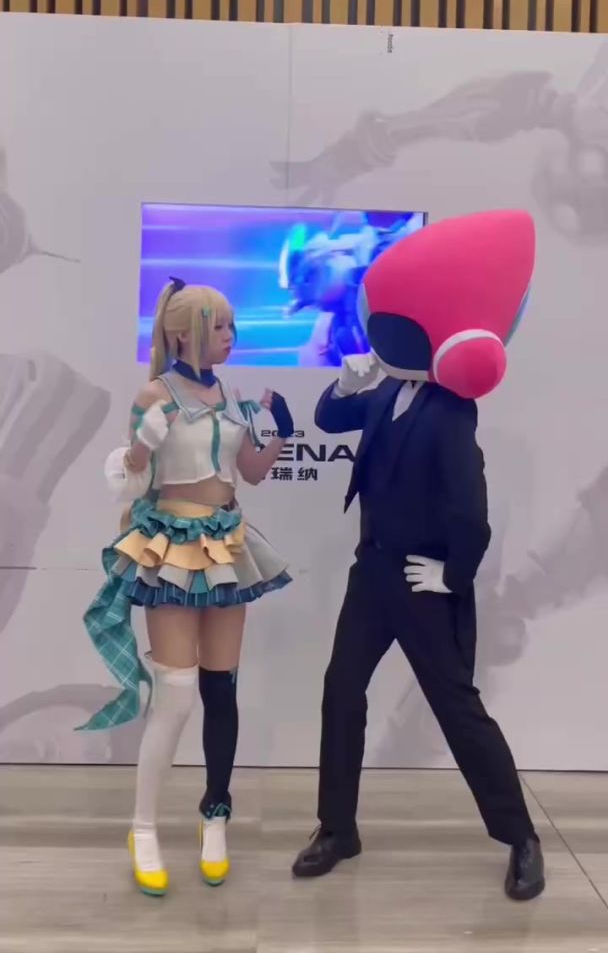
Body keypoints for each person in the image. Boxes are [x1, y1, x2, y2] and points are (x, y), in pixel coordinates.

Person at [292, 210, 545, 902]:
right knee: (342, 692)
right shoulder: (384, 390)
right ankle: (337, 829)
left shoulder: (451, 409)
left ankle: (521, 837)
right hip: (371, 573)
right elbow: (328, 418)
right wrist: (348, 381)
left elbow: (471, 511)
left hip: (421, 582)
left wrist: (450, 574)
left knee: (456, 707)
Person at [80, 279, 293, 897]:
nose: (229, 336)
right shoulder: (155, 394)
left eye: (230, 326)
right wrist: (140, 447)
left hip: (226, 544)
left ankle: (215, 814)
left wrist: (279, 431)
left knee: (221, 690)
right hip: (172, 546)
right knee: (174, 695)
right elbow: (131, 481)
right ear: (181, 333)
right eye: (217, 326)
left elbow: (249, 472)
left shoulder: (231, 395)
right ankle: (143, 827)